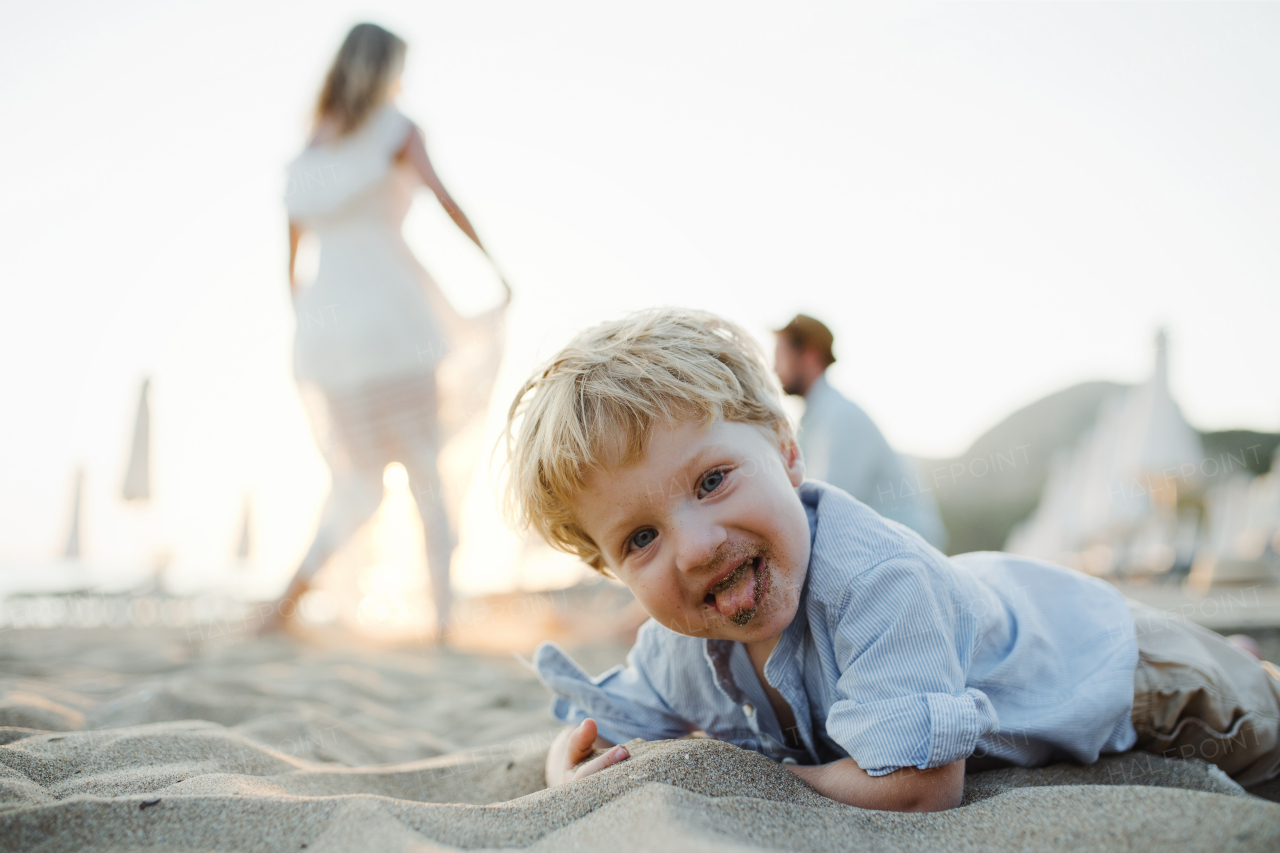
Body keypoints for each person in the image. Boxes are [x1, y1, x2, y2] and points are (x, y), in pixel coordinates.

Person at [503, 307, 1280, 811]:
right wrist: (566, 772)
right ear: (609, 567)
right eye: (640, 538)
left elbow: (917, 786)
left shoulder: (875, 581)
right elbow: (603, 732)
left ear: (787, 452)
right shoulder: (678, 643)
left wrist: (736, 778)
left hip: (1121, 663)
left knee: (1253, 722)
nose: (697, 544)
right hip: (998, 606)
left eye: (712, 480)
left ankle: (1242, 662)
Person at [269, 23, 508, 636]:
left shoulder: (309, 153)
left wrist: (312, 326)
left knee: (358, 483)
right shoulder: (397, 130)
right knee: (425, 471)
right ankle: (443, 624)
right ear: (385, 70)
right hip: (395, 326)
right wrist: (496, 270)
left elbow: (290, 262)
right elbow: (447, 202)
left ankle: (282, 607)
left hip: (330, 339)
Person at [773, 314, 947, 550]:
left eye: (780, 356)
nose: (774, 368)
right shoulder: (819, 415)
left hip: (907, 552)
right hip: (884, 547)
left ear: (810, 355)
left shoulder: (840, 417)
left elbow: (822, 508)